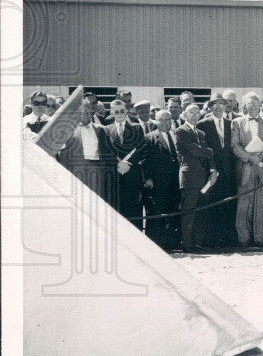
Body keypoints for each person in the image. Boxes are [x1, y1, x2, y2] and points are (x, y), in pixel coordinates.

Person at [232, 92, 263, 247]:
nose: (253, 107)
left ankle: (260, 237)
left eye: (256, 104)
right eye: (249, 104)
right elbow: (235, 146)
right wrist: (250, 157)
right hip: (246, 167)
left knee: (262, 203)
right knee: (244, 203)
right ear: (245, 106)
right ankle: (243, 238)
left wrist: (262, 157)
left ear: (260, 105)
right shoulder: (237, 122)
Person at [174, 103, 217, 253]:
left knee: (201, 212)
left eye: (196, 113)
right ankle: (187, 243)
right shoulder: (180, 131)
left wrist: (212, 169)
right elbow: (194, 150)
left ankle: (198, 243)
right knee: (189, 212)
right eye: (191, 112)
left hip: (204, 178)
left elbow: (204, 154)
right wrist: (210, 151)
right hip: (189, 177)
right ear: (185, 115)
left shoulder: (201, 133)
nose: (194, 115)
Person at [56, 98, 117, 200]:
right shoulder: (68, 130)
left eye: (88, 109)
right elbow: (63, 155)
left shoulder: (102, 129)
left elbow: (110, 152)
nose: (85, 112)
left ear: (92, 111)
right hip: (76, 171)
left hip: (96, 171)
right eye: (81, 110)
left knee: (96, 201)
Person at [199, 94, 238, 248]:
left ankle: (226, 238)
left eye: (221, 104)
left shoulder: (231, 123)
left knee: (228, 204)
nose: (219, 107)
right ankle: (212, 239)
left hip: (229, 171)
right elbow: (205, 150)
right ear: (210, 107)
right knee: (212, 204)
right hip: (212, 171)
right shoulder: (203, 124)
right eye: (215, 104)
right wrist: (212, 168)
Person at [105, 98, 149, 229]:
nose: (119, 113)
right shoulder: (106, 129)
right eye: (116, 111)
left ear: (127, 112)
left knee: (134, 210)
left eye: (122, 111)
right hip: (115, 176)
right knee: (116, 210)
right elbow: (106, 150)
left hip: (132, 174)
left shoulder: (136, 128)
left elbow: (141, 149)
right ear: (112, 113)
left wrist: (127, 163)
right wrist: (117, 164)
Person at [143, 109, 182, 250]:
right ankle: (157, 245)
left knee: (174, 211)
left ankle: (172, 243)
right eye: (162, 120)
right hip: (158, 182)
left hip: (176, 181)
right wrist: (148, 178)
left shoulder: (177, 135)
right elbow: (145, 161)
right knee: (158, 212)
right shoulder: (149, 137)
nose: (165, 123)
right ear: (156, 121)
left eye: (168, 120)